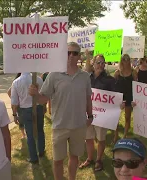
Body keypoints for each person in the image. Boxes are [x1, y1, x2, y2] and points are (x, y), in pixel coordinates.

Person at [29, 42, 93, 180]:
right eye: (68, 53)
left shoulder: (85, 76)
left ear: (79, 56)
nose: (71, 56)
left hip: (79, 125)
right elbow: (43, 99)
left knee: (74, 157)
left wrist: (90, 115)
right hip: (59, 125)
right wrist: (35, 94)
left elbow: (88, 98)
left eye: (74, 53)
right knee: (58, 160)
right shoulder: (54, 75)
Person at [79, 54, 116, 171]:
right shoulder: (86, 78)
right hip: (87, 113)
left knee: (101, 138)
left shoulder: (110, 80)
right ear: (93, 64)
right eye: (98, 62)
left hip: (102, 116)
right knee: (88, 137)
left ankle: (99, 160)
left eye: (102, 62)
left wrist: (120, 103)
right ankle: (90, 158)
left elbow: (114, 98)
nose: (100, 65)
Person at [11, 72, 44, 164]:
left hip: (26, 109)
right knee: (40, 129)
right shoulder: (38, 79)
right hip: (38, 107)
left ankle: (34, 157)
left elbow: (14, 101)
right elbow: (42, 95)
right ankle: (41, 151)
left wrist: (14, 115)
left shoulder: (16, 82)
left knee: (30, 134)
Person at [114, 54, 138, 142]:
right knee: (116, 116)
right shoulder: (117, 72)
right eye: (124, 59)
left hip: (129, 97)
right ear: (121, 61)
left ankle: (124, 135)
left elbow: (136, 86)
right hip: (119, 97)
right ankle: (116, 134)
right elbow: (114, 84)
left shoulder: (133, 72)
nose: (126, 61)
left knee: (127, 117)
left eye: (128, 59)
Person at [7, 73, 26, 139]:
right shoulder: (18, 82)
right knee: (23, 120)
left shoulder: (16, 82)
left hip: (19, 105)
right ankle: (24, 134)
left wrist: (14, 99)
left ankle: (23, 134)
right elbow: (9, 92)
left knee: (21, 120)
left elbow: (9, 92)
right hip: (24, 104)